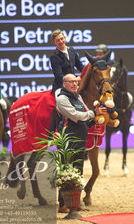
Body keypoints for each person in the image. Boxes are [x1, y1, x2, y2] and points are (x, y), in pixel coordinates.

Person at [55, 73, 105, 212]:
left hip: (80, 138)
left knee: (78, 170)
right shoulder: (62, 99)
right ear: (64, 83)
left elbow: (86, 115)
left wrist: (94, 118)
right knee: (67, 170)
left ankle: (75, 203)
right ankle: (63, 204)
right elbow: (76, 116)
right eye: (71, 82)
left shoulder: (78, 97)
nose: (75, 84)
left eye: (76, 82)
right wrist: (93, 114)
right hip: (68, 139)